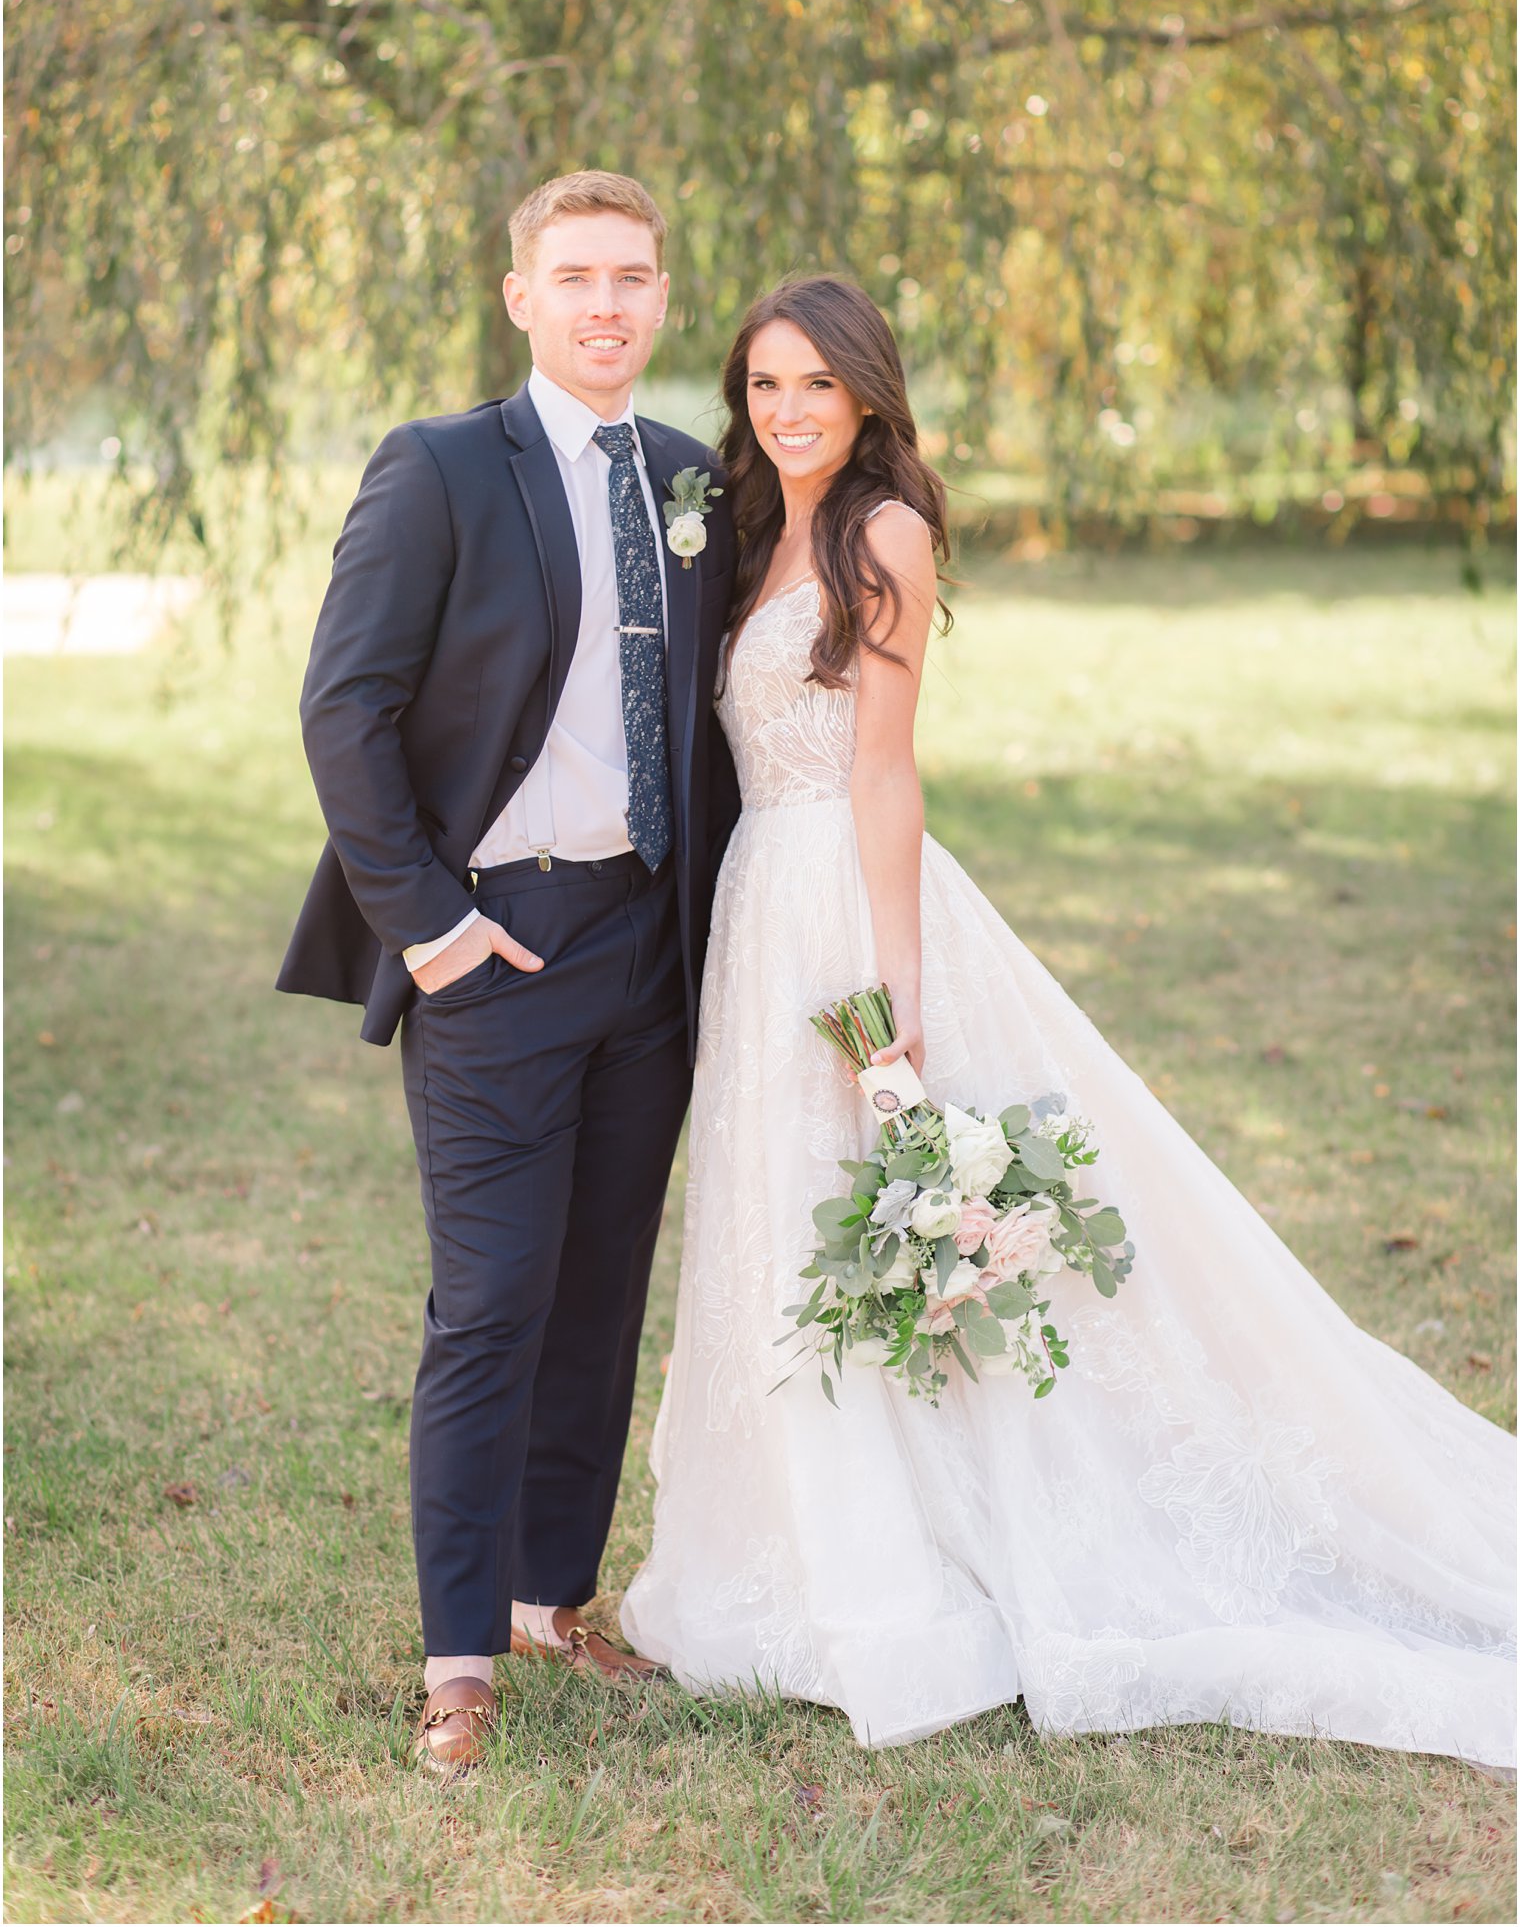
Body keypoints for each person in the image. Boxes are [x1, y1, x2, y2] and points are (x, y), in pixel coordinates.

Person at [620, 273, 1517, 1767]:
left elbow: (887, 772)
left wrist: (891, 1011)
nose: (787, 411)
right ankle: (790, 1545)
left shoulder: (881, 535)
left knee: (883, 1209)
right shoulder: (751, 530)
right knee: (782, 1224)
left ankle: (912, 1558)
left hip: (845, 902)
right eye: (765, 385)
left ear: (865, 398)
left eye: (816, 389)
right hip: (754, 914)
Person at [277, 171, 739, 1771]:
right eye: (576, 276)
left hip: (647, 944)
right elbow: (345, 708)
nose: (607, 304)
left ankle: (555, 1597)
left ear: (664, 296)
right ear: (520, 295)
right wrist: (429, 923)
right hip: (495, 944)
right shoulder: (442, 468)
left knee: (604, 1289)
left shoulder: (693, 481)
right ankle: (460, 1655)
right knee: (491, 1301)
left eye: (633, 276)